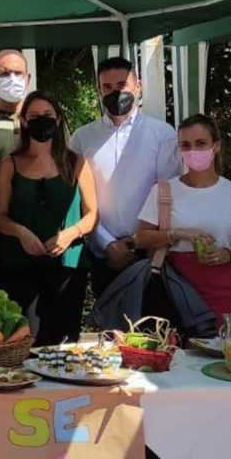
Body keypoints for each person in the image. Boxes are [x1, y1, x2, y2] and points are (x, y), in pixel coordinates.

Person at [70, 56, 182, 297]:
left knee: (153, 331)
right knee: (110, 332)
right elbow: (78, 199)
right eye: (107, 87)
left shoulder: (162, 133)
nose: (115, 92)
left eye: (122, 85)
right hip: (104, 255)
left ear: (137, 86)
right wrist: (108, 243)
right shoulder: (81, 138)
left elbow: (166, 193)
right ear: (99, 90)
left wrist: (138, 241)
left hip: (150, 254)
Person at [0, 92, 98, 346]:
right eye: (35, 116)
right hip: (19, 267)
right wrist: (21, 232)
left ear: (59, 120)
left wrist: (70, 234)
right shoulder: (10, 164)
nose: (42, 121)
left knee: (62, 345)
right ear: (25, 121)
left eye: (48, 116)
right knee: (22, 343)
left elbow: (92, 213)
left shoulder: (75, 162)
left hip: (67, 266)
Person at [134, 114, 231, 326]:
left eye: (201, 143)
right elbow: (141, 238)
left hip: (225, 287)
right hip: (177, 285)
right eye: (186, 145)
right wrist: (178, 234)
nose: (193, 151)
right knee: (181, 353)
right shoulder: (164, 190)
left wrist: (227, 255)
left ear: (216, 146)